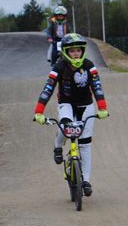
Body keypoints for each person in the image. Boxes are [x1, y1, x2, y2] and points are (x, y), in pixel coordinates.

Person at [33, 33, 110, 196]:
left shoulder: (90, 66)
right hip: (66, 104)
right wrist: (39, 111)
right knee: (64, 125)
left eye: (79, 51)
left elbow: (97, 87)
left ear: (83, 51)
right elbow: (48, 89)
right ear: (66, 52)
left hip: (86, 105)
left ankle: (86, 180)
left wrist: (102, 108)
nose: (76, 54)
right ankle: (58, 147)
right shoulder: (59, 67)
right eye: (72, 51)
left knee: (85, 143)